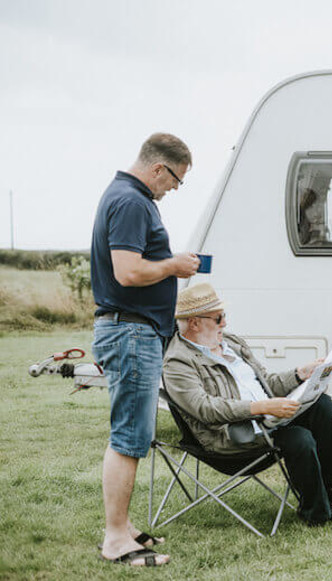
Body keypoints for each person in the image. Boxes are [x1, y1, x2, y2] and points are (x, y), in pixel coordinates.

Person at [162, 283, 332, 526]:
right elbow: (205, 409)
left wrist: (301, 374)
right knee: (298, 437)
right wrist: (262, 408)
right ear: (194, 323)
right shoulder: (177, 362)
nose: (225, 323)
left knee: (321, 404)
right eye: (218, 318)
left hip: (265, 418)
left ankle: (330, 488)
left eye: (224, 316)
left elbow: (267, 383)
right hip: (232, 436)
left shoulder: (232, 343)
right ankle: (318, 514)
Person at [91, 133, 199, 566]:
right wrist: (174, 265)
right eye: (175, 180)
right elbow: (128, 272)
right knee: (130, 437)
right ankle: (116, 538)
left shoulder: (125, 197)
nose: (173, 189)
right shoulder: (133, 202)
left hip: (133, 331)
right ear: (158, 168)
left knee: (131, 433)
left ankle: (124, 525)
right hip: (131, 332)